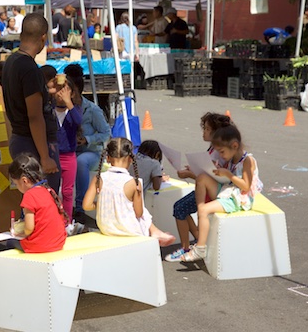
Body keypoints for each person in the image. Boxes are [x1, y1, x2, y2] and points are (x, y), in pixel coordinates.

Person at [180, 124, 262, 262]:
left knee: (204, 211)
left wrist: (228, 174)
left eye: (222, 151)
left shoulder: (248, 160)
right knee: (202, 178)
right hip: (228, 191)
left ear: (234, 146)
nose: (221, 155)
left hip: (239, 199)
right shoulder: (231, 159)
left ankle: (200, 249)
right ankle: (201, 209)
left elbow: (246, 186)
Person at [2, 13, 61, 194]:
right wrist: (45, 157)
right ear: (43, 37)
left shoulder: (11, 61)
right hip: (33, 144)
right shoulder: (29, 69)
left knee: (30, 202)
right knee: (43, 201)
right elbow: (35, 116)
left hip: (21, 140)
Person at [164, 112, 232, 262]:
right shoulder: (214, 148)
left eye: (207, 129)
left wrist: (190, 173)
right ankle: (194, 240)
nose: (203, 132)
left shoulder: (220, 151)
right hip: (206, 189)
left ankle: (188, 246)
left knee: (180, 208)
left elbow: (214, 177)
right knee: (180, 208)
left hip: (212, 191)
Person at [82, 137, 175, 246]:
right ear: (131, 159)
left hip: (106, 227)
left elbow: (86, 206)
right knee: (141, 209)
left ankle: (156, 231)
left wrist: (102, 203)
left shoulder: (99, 178)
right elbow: (139, 213)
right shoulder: (133, 183)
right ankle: (155, 231)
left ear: (107, 158)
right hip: (127, 229)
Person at [63, 63, 111, 222]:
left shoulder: (92, 109)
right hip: (69, 150)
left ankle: (81, 204)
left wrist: (87, 139)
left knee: (80, 161)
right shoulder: (62, 108)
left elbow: (106, 133)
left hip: (91, 153)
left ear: (76, 90)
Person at [7, 154, 67, 253]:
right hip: (59, 242)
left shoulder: (29, 196)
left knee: (10, 242)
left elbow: (29, 228)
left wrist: (21, 233)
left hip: (41, 246)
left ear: (24, 181)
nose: (17, 187)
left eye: (16, 184)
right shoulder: (49, 190)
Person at [53, 76, 82, 222]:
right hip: (52, 156)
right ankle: (54, 219)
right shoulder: (50, 110)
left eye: (65, 90)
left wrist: (68, 103)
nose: (61, 94)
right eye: (58, 89)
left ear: (72, 93)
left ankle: (67, 221)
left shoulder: (73, 110)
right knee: (52, 190)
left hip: (69, 156)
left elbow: (78, 121)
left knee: (67, 191)